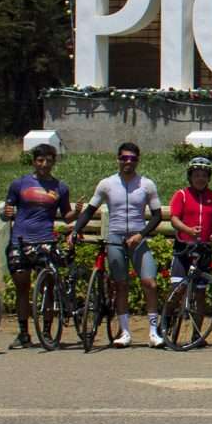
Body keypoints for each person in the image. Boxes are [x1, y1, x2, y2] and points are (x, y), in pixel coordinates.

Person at [73, 143, 163, 349]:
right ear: (118, 159)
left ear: (138, 160)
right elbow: (89, 210)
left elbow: (157, 215)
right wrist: (76, 230)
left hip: (138, 238)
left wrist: (141, 235)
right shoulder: (106, 184)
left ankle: (153, 331)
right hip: (115, 237)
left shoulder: (147, 184)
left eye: (132, 158)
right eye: (124, 158)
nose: (128, 162)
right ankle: (125, 332)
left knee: (150, 283)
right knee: (120, 285)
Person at [1, 143, 72, 348]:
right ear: (34, 161)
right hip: (20, 241)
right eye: (40, 160)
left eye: (49, 161)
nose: (44, 164)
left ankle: (47, 332)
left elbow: (66, 216)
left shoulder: (60, 187)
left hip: (46, 241)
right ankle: (23, 333)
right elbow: (7, 210)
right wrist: (4, 215)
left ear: (53, 162)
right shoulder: (19, 184)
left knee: (48, 288)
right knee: (22, 287)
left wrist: (76, 213)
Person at [166, 156, 212, 345]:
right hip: (184, 248)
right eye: (196, 175)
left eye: (203, 175)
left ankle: (196, 334)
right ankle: (166, 323)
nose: (200, 178)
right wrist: (187, 230)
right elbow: (174, 218)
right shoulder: (182, 195)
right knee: (177, 289)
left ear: (208, 177)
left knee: (200, 293)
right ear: (190, 176)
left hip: (204, 249)